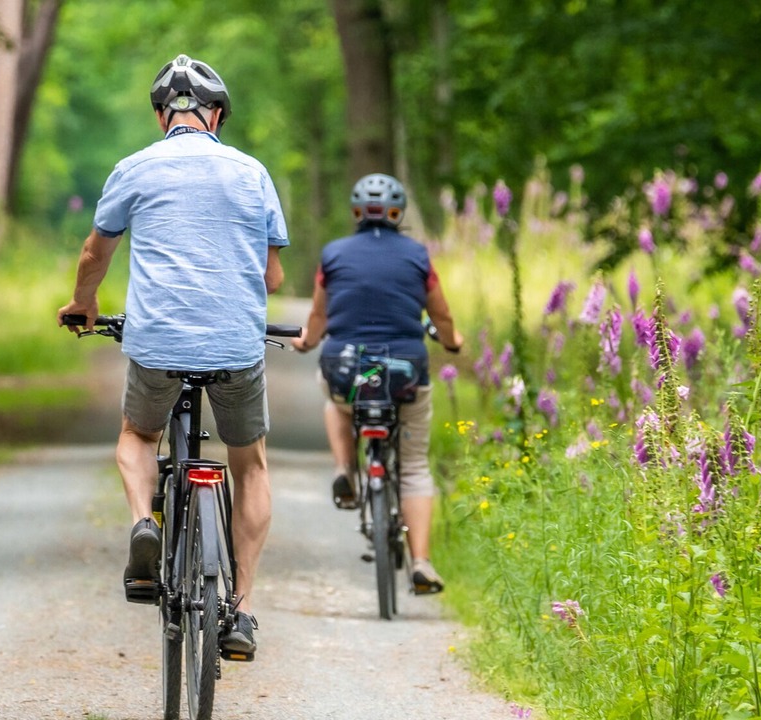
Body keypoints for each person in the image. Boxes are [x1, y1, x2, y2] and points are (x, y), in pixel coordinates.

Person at [57, 54, 288, 656]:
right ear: (216, 115)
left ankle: (143, 523)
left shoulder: (134, 168)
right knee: (251, 464)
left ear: (163, 115)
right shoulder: (251, 172)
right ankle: (241, 613)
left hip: (157, 342)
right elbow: (274, 274)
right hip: (237, 344)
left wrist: (84, 304)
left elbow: (93, 254)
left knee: (137, 435)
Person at [291, 172, 462, 595]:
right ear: (397, 212)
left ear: (355, 212)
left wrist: (308, 341)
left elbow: (318, 317)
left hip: (346, 368)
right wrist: (454, 341)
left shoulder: (333, 254)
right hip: (405, 370)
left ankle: (345, 468)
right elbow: (440, 315)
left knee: (334, 397)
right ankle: (421, 561)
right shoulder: (419, 256)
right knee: (416, 466)